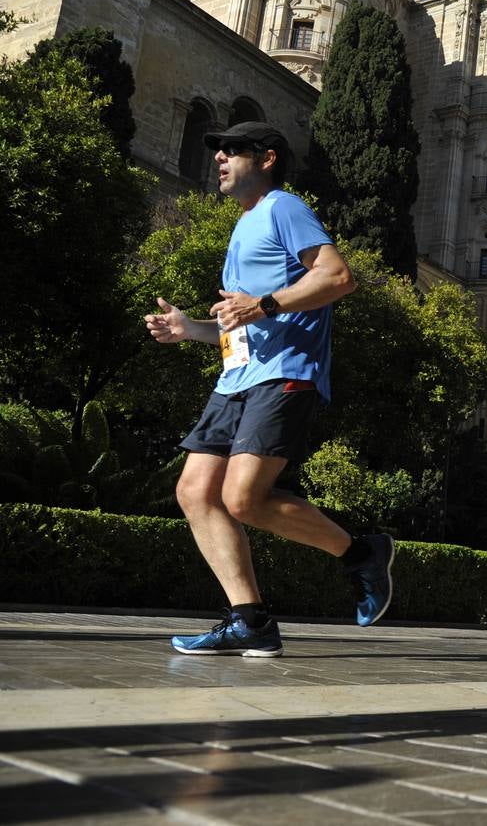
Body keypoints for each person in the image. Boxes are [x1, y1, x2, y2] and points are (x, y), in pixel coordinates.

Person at [144, 121, 390, 658]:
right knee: (194, 492)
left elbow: (338, 277)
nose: (220, 159)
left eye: (234, 150)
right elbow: (241, 326)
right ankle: (250, 621)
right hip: (236, 378)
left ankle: (360, 554)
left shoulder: (284, 207)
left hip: (285, 373)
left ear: (268, 158)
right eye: (220, 151)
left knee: (242, 498)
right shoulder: (243, 226)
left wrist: (263, 304)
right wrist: (192, 330)